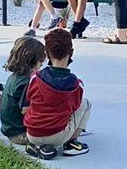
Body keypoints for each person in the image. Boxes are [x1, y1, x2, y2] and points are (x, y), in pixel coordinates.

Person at [24, 29, 92, 160]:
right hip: (58, 136)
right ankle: (71, 143)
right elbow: (74, 107)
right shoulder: (76, 84)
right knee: (86, 103)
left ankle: (37, 146)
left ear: (46, 54)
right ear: (71, 53)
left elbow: (29, 98)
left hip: (32, 134)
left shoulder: (35, 78)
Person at [0, 36, 47, 146]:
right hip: (20, 133)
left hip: (10, 129)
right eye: (40, 61)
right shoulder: (26, 82)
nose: (41, 65)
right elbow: (25, 110)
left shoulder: (14, 77)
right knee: (56, 131)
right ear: (32, 60)